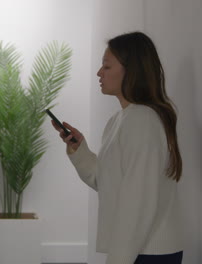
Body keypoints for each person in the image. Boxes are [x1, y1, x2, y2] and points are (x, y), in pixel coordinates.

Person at [51, 32, 184, 264]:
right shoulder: (120, 120)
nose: (99, 73)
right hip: (139, 250)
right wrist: (79, 149)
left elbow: (138, 201)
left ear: (130, 71)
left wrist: (119, 260)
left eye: (106, 67)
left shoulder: (142, 120)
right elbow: (106, 180)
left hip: (149, 252)